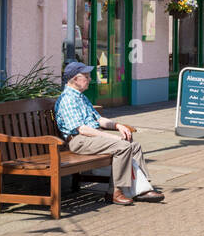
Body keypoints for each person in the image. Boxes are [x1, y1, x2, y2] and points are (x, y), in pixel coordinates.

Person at [54, 60, 163, 205]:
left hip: (91, 137)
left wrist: (118, 126)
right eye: (86, 76)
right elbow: (82, 129)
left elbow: (98, 119)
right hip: (79, 140)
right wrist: (111, 136)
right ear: (75, 79)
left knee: (134, 146)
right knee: (122, 146)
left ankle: (141, 188)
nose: (90, 79)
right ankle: (115, 192)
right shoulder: (67, 100)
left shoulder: (81, 97)